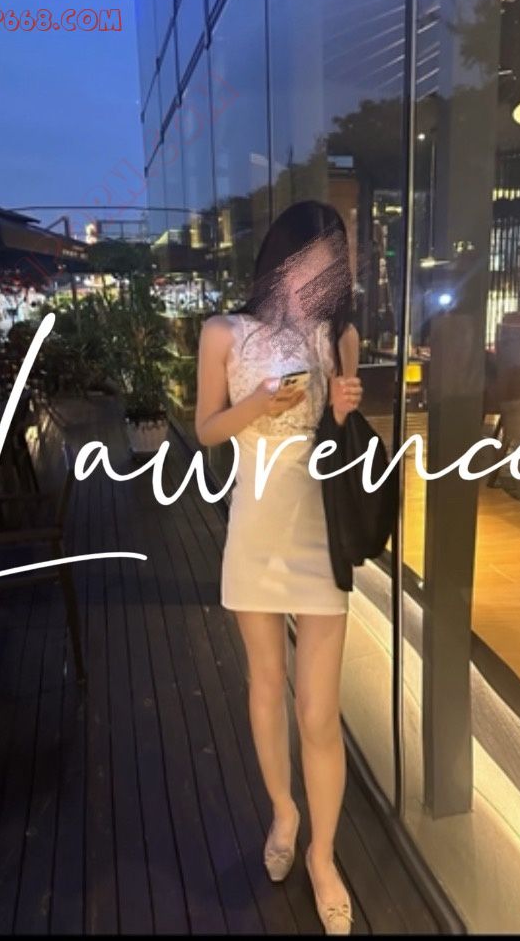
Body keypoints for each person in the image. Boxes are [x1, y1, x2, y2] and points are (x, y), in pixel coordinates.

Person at [195, 200, 363, 935]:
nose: (319, 278)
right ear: (281, 259)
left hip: (320, 532)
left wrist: (344, 404)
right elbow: (206, 429)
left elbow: (341, 436)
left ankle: (324, 856)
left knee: (318, 711)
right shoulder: (223, 333)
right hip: (255, 533)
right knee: (266, 687)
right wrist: (259, 403)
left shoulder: (336, 335)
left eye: (331, 267)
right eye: (310, 262)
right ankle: (284, 814)